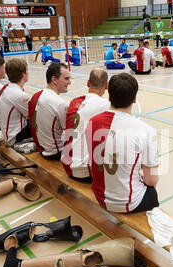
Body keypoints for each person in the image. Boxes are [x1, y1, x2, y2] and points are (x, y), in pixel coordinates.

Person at [85, 73, 160, 213]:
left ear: (109, 97)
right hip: (126, 203)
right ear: (134, 99)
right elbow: (152, 181)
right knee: (151, 186)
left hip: (98, 193)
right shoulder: (146, 130)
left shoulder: (92, 122)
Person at [61, 68, 110, 181]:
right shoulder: (105, 105)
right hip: (83, 171)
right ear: (106, 85)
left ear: (88, 83)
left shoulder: (74, 101)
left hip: (66, 161)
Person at [29, 63, 71, 160]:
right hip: (55, 153)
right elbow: (71, 133)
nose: (69, 82)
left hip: (41, 147)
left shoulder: (37, 95)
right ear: (54, 80)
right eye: (66, 79)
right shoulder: (60, 103)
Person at [0, 58, 31, 147]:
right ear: (23, 74)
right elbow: (33, 116)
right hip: (14, 137)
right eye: (27, 71)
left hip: (8, 132)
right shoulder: (19, 95)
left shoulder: (8, 88)